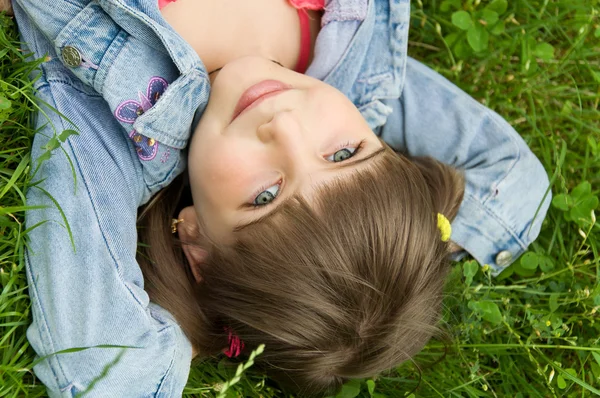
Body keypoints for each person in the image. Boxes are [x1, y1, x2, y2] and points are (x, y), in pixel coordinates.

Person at [10, 0, 551, 396]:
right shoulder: (358, 73)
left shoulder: (110, 137)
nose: (286, 127)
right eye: (344, 154)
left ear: (196, 242)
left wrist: (202, 331)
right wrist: (398, 260)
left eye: (265, 195)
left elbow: (108, 374)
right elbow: (515, 185)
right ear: (382, 142)